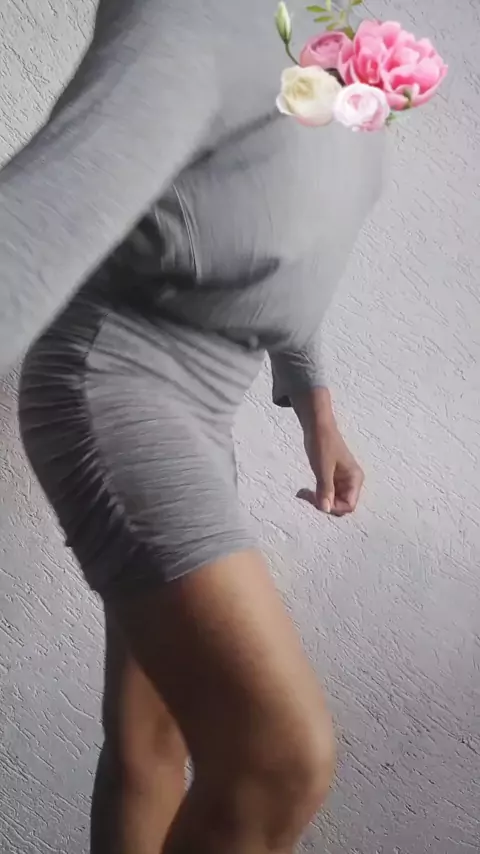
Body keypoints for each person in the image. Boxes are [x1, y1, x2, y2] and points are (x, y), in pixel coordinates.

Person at [0, 1, 384, 852]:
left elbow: (282, 224)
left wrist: (316, 404)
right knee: (278, 756)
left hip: (210, 397)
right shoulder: (190, 17)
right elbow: (26, 225)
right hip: (120, 382)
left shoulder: (317, 32)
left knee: (154, 734)